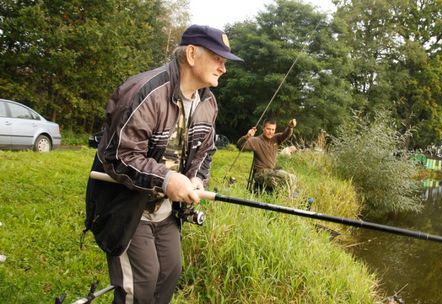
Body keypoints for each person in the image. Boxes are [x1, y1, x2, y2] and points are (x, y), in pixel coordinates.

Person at [84, 24, 243, 303]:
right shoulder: (145, 92)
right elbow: (119, 156)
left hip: (167, 212)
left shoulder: (209, 103)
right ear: (192, 54)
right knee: (141, 285)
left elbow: (206, 151)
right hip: (127, 207)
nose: (223, 68)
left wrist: (197, 180)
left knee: (169, 273)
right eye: (218, 58)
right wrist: (167, 179)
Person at [237, 118, 297, 194]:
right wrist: (247, 136)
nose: (271, 132)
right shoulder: (256, 140)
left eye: (273, 129)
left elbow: (286, 134)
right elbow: (240, 146)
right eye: (268, 129)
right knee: (286, 179)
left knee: (293, 177)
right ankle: (288, 197)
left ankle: (288, 197)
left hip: (272, 171)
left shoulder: (276, 138)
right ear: (263, 128)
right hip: (260, 173)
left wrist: (290, 127)